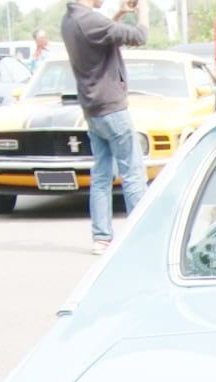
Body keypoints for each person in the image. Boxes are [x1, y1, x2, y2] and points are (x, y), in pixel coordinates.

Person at [61, 0, 149, 255]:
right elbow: (139, 36)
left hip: (92, 109)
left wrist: (120, 13)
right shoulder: (90, 20)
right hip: (112, 107)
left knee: (101, 176)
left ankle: (101, 238)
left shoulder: (71, 19)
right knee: (133, 173)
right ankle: (141, 235)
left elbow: (103, 35)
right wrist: (144, 12)